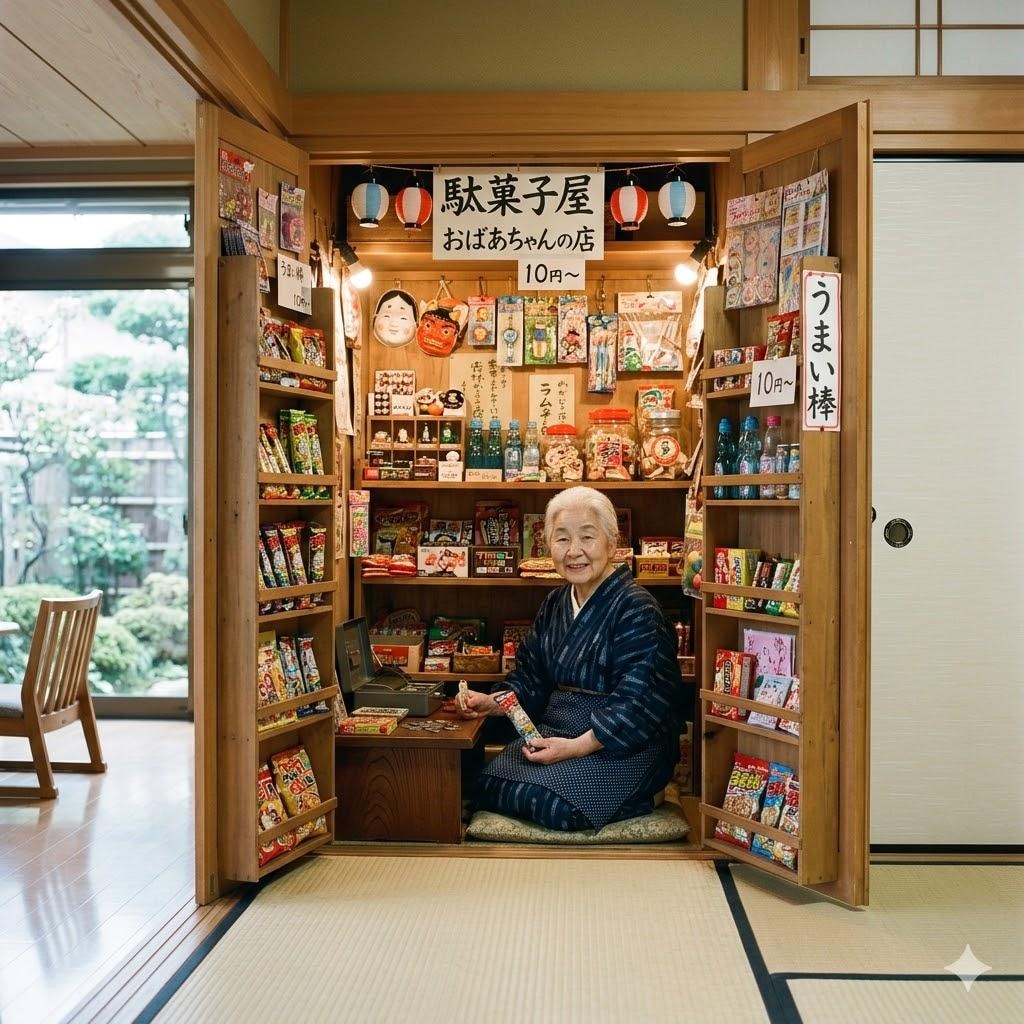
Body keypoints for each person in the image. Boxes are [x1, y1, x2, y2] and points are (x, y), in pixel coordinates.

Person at [458, 486, 690, 831]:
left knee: (557, 807)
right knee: (482, 782)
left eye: (587, 537)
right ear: (548, 545)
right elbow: (531, 678)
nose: (574, 552)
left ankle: (644, 795)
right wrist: (491, 703)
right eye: (562, 539)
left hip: (622, 741)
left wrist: (575, 748)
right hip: (560, 727)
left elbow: (639, 700)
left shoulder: (637, 608)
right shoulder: (554, 604)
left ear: (612, 544)